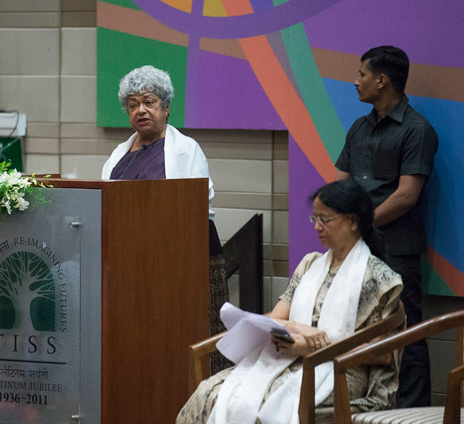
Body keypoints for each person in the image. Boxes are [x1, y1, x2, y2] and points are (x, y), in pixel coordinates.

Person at [177, 179, 403, 424]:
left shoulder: (379, 277)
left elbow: (381, 354)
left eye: (325, 219)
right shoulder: (310, 264)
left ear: (353, 221)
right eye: (314, 218)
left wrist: (312, 349)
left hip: (341, 371)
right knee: (209, 394)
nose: (317, 227)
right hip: (286, 360)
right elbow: (276, 317)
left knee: (264, 409)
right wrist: (298, 329)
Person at [101, 65, 229, 371]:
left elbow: (193, 206)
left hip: (182, 259)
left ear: (166, 107)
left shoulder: (186, 150)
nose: (140, 111)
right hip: (130, 263)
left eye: (149, 102)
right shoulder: (118, 153)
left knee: (189, 338)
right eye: (133, 105)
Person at [335, 45, 438, 407]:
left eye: (362, 74)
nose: (356, 81)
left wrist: (357, 226)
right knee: (354, 329)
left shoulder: (417, 130)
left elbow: (406, 196)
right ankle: (365, 408)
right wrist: (339, 224)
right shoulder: (358, 128)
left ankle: (413, 412)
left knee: (405, 333)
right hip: (355, 248)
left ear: (381, 80)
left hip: (397, 248)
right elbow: (341, 185)